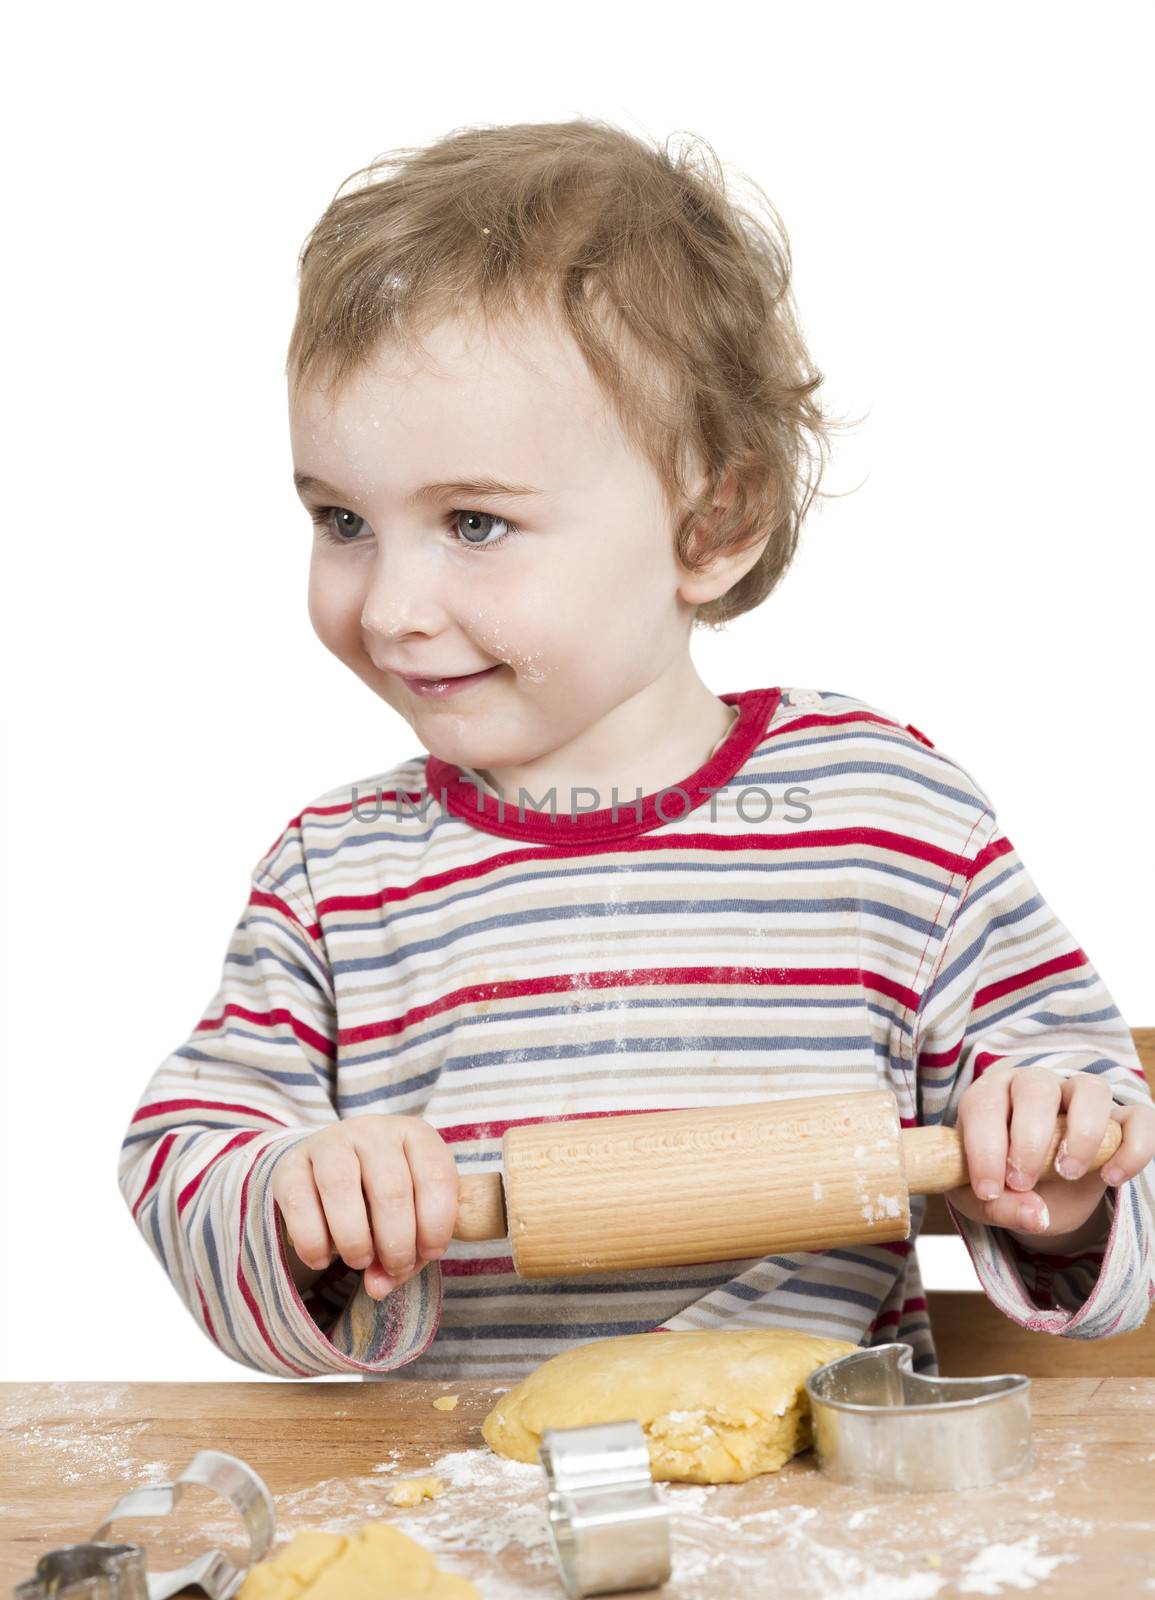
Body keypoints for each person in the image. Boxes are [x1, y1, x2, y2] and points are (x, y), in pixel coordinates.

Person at [117, 119, 1155, 1382]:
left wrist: (1058, 1172)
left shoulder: (887, 820)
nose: (388, 604)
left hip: (829, 1519)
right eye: (342, 519)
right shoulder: (341, 878)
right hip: (471, 1522)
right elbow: (182, 1152)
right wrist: (291, 1187)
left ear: (714, 523)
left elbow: (1103, 1143)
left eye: (475, 522)